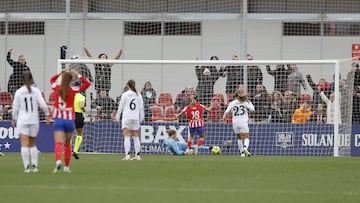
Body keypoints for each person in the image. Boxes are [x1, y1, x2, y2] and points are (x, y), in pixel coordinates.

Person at [51, 69, 91, 173]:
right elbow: (87, 83)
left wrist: (60, 73)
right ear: (71, 80)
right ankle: (66, 167)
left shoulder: (56, 88)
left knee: (59, 143)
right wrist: (77, 74)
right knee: (67, 144)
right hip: (69, 120)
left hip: (59, 119)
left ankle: (58, 161)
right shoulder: (74, 90)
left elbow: (52, 80)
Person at [11, 71, 50, 173]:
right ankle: (35, 166)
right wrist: (47, 115)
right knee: (32, 144)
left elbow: (15, 107)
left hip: (22, 120)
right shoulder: (36, 91)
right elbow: (43, 104)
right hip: (34, 120)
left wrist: (14, 118)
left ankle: (27, 167)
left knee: (24, 144)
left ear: (22, 80)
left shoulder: (19, 92)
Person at [115, 79, 144, 160]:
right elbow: (141, 107)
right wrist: (142, 117)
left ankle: (127, 155)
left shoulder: (125, 94)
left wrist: (117, 116)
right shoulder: (139, 95)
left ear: (128, 85)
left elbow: (121, 106)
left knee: (127, 136)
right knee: (136, 137)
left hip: (127, 117)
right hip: (135, 117)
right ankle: (137, 155)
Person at [223, 92, 255, 157]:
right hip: (243, 122)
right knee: (246, 137)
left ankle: (242, 153)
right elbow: (252, 109)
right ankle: (245, 148)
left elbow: (227, 111)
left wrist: (224, 117)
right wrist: (249, 102)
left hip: (235, 123)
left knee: (239, 137)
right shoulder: (245, 102)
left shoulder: (232, 103)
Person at [72, 92, 86, 160]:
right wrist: (84, 111)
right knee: (79, 134)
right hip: (79, 115)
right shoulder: (81, 96)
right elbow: (81, 106)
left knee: (70, 134)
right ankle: (75, 151)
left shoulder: (70, 95)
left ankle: (68, 150)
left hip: (71, 114)